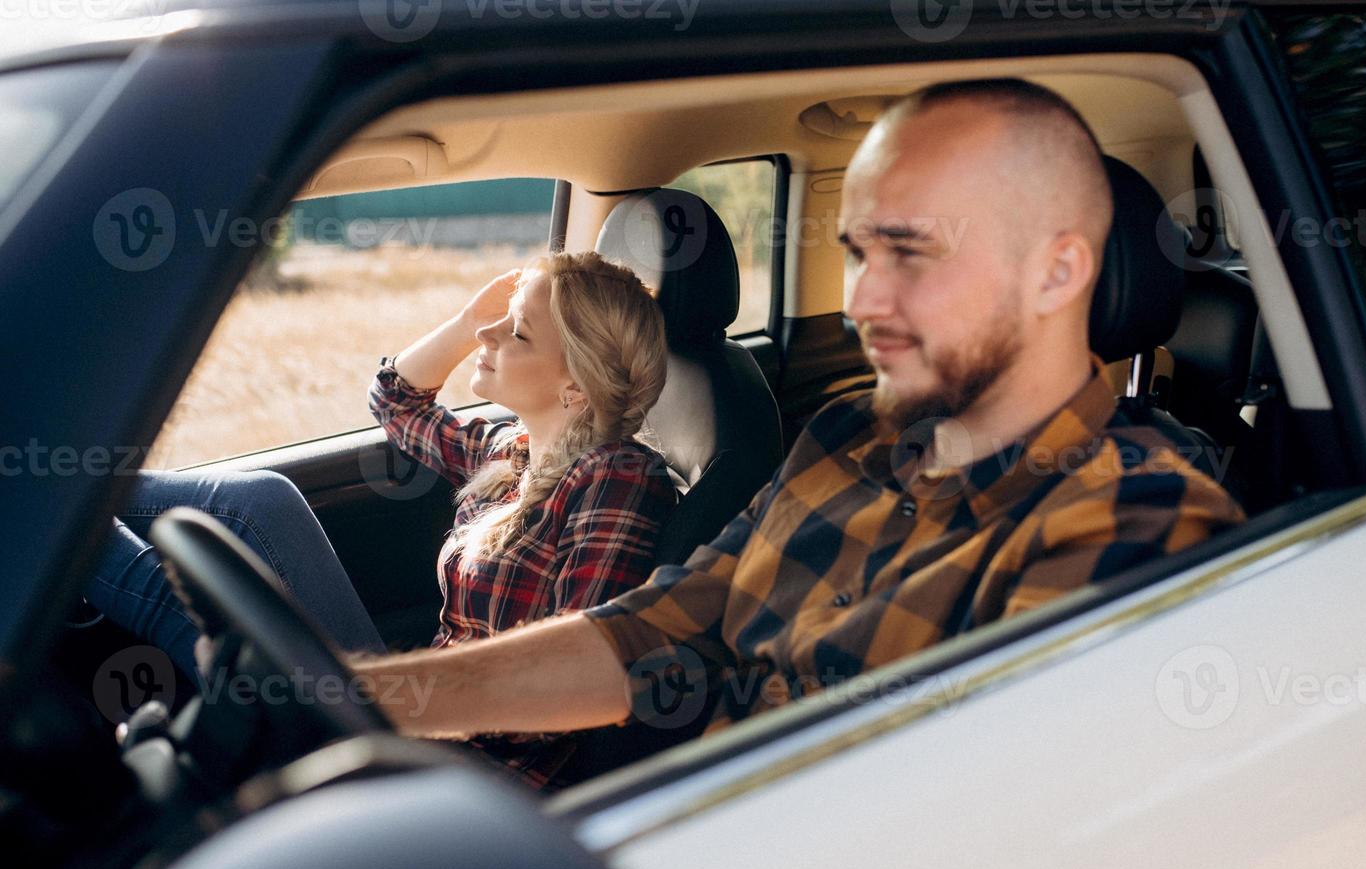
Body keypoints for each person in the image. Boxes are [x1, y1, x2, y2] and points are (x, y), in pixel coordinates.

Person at [350, 79, 1247, 743]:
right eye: (859, 255)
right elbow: (659, 628)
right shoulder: (846, 435)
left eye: (912, 254)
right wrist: (363, 704)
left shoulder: (1137, 522)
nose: (862, 303)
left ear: (1056, 272)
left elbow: (959, 814)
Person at [84, 252, 677, 724]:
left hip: (472, 761)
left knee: (185, 613)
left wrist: (379, 701)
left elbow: (567, 677)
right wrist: (467, 322)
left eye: (516, 331)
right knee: (262, 500)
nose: (487, 335)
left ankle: (50, 507)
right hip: (419, 703)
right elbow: (395, 402)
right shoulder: (512, 449)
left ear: (575, 385)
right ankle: (68, 487)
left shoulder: (617, 479)